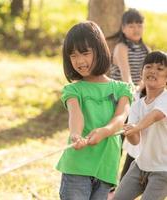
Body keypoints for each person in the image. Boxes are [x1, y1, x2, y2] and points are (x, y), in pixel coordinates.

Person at [56, 21, 133, 200]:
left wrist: (105, 131)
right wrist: (75, 134)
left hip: (106, 167)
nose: (80, 61)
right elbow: (76, 115)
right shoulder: (73, 90)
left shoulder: (122, 89)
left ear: (99, 50)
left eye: (85, 53)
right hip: (77, 165)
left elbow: (121, 117)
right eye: (73, 55)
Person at [114, 51, 167, 200]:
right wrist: (130, 131)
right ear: (141, 73)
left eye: (160, 69)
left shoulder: (165, 98)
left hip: (163, 171)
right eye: (148, 66)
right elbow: (135, 141)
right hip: (140, 165)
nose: (153, 71)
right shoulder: (137, 104)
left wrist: (136, 126)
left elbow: (156, 115)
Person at [107, 8, 150, 182]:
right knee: (115, 144)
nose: (136, 29)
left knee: (135, 143)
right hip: (119, 100)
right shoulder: (121, 47)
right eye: (131, 25)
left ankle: (125, 181)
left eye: (139, 24)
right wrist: (137, 89)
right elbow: (127, 78)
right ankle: (109, 181)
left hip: (137, 99)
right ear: (123, 28)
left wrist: (141, 90)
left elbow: (147, 78)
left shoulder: (146, 49)